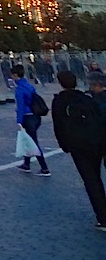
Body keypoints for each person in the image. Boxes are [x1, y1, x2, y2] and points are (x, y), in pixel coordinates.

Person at [51, 70, 106, 230]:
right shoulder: (86, 99)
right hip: (95, 143)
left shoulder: (60, 101)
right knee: (95, 176)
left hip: (78, 146)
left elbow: (58, 126)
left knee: (91, 180)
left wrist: (65, 145)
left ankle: (102, 217)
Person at [12, 64, 51, 176]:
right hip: (35, 115)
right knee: (28, 140)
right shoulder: (29, 86)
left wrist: (19, 121)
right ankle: (26, 164)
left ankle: (44, 168)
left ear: (15, 75)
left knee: (32, 142)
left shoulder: (19, 89)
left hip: (27, 116)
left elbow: (21, 106)